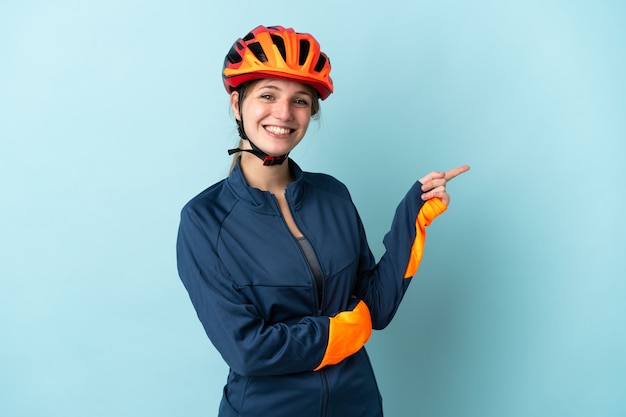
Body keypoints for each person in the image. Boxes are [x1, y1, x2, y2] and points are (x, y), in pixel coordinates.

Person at [176, 25, 469, 417]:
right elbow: (247, 350)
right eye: (268, 95)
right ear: (236, 104)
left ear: (311, 111)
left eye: (300, 100)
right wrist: (338, 332)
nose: (283, 113)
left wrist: (411, 219)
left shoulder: (333, 196)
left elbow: (375, 309)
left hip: (358, 404)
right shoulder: (204, 220)